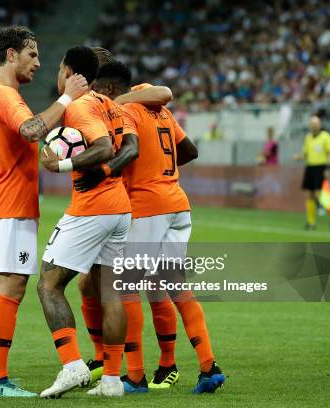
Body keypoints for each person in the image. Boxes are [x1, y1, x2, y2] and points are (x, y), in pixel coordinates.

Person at [0, 25, 88, 398]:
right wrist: (68, 99)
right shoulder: (6, 95)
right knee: (12, 288)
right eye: (32, 55)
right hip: (11, 204)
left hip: (10, 202)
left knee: (2, 287)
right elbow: (29, 130)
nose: (38, 64)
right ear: (11, 55)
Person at [77, 63, 225, 394]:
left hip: (147, 208)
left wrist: (106, 171)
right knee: (176, 287)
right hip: (177, 204)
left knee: (125, 289)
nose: (97, 98)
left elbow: (130, 150)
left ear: (111, 90)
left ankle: (135, 376)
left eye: (100, 91)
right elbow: (190, 150)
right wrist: (159, 165)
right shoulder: (156, 109)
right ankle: (207, 366)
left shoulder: (125, 109)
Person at [38, 47, 136, 398]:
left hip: (92, 208)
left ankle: (72, 366)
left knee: (48, 283)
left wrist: (61, 166)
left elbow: (105, 148)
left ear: (67, 70)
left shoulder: (80, 106)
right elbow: (129, 146)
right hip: (119, 207)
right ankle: (111, 381)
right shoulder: (111, 104)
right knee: (110, 294)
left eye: (58, 67)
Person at [294, 115, 330, 229]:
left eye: (316, 124)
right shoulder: (308, 137)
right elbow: (305, 153)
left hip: (321, 168)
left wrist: (328, 169)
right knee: (309, 195)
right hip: (310, 167)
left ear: (320, 125)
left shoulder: (325, 137)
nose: (314, 126)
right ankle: (311, 222)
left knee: (321, 195)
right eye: (312, 124)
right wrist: (299, 157)